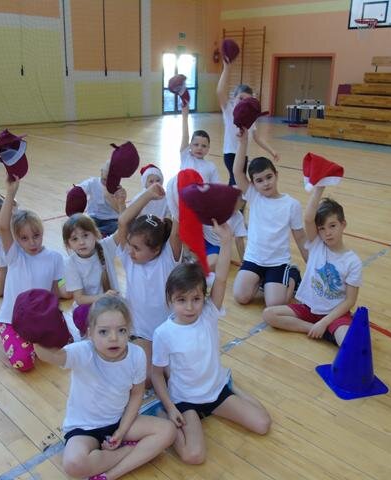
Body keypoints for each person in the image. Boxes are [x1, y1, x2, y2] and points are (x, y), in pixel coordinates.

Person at [151, 220, 270, 464]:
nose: (190, 306)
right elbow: (156, 374)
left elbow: (222, 279)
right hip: (186, 400)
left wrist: (226, 242)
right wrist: (171, 408)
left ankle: (231, 385)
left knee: (262, 423)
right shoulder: (164, 333)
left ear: (203, 298)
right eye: (181, 300)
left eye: (196, 299)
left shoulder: (208, 313)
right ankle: (163, 417)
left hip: (216, 392)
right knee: (193, 455)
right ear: (170, 300)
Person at [34, 295, 176, 480]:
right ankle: (129, 451)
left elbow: (137, 394)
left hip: (119, 420)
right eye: (103, 332)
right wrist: (33, 334)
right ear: (90, 333)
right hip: (84, 428)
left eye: (121, 330)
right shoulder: (82, 351)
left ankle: (110, 474)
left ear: (129, 330)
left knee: (168, 431)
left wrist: (121, 431)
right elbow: (51, 356)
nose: (113, 338)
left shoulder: (137, 355)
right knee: (73, 465)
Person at [263, 186, 362, 346]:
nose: (327, 233)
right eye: (322, 228)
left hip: (335, 315)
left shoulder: (353, 262)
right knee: (269, 314)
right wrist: (318, 188)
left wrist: (324, 322)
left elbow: (350, 301)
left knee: (349, 343)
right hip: (308, 309)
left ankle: (324, 329)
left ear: (343, 224)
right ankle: (317, 331)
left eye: (332, 226)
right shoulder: (317, 244)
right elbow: (308, 219)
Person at [113, 182, 182, 386]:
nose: (130, 251)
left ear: (156, 249)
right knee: (148, 378)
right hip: (142, 334)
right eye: (130, 245)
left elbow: (176, 229)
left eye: (137, 248)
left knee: (179, 374)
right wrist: (148, 194)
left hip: (170, 332)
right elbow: (123, 221)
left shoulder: (168, 258)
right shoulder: (128, 259)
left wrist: (176, 199)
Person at [0, 176, 65, 372]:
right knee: (24, 362)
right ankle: (29, 344)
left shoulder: (55, 258)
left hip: (41, 318)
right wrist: (10, 193)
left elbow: (55, 291)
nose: (32, 242)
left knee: (66, 347)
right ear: (17, 239)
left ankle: (35, 342)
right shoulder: (15, 256)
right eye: (24, 238)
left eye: (36, 236)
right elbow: (3, 226)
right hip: (11, 320)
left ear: (42, 232)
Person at [232, 133, 306, 307]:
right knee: (241, 297)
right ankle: (264, 280)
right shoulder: (253, 196)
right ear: (253, 184)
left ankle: (293, 275)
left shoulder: (292, 204)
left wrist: (312, 266)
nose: (265, 183)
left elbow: (301, 238)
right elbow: (237, 171)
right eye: (259, 180)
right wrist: (243, 142)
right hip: (254, 259)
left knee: (274, 304)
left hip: (278, 262)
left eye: (269, 177)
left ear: (276, 175)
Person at [217, 59, 279, 185]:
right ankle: (234, 198)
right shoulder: (229, 111)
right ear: (233, 98)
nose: (243, 102)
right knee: (237, 181)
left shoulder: (249, 118)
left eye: (247, 100)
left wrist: (271, 150)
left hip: (243, 154)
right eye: (240, 98)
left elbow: (257, 138)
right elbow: (220, 91)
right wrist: (226, 68)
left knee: (237, 181)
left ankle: (231, 197)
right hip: (230, 154)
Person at [79, 162, 127, 237]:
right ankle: (97, 233)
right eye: (104, 179)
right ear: (101, 173)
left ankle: (95, 233)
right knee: (84, 224)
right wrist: (73, 191)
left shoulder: (118, 190)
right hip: (94, 216)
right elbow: (80, 189)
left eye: (110, 180)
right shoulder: (92, 182)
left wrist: (117, 199)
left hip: (111, 219)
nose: (106, 183)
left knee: (116, 227)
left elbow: (121, 212)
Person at [180, 102, 221, 184]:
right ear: (190, 146)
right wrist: (185, 116)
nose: (199, 148)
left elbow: (216, 187)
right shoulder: (186, 157)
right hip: (184, 192)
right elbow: (185, 137)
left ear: (208, 148)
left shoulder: (211, 167)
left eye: (204, 146)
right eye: (196, 145)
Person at [203, 193, 246, 270]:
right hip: (201, 238)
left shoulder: (238, 217)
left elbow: (239, 240)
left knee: (211, 265)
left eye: (243, 201)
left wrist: (244, 262)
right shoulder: (214, 205)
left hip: (214, 246)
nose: (242, 202)